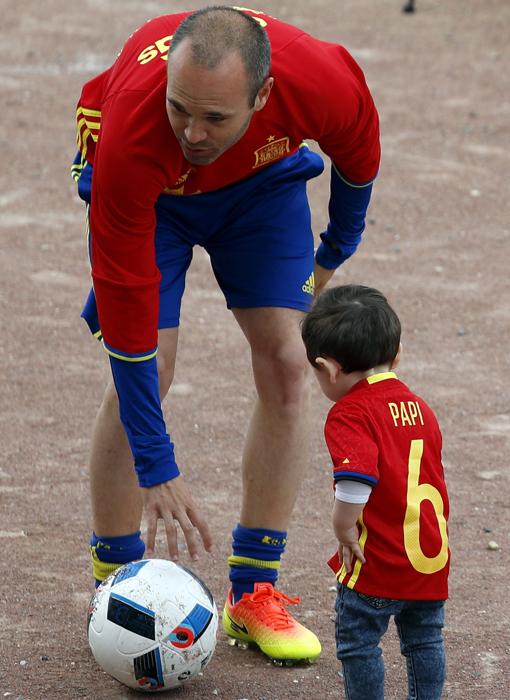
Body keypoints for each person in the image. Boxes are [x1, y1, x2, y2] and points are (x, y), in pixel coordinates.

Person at [72, 7, 380, 664]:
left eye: (215, 117)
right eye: (181, 108)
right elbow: (130, 338)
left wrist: (334, 250)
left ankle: (254, 592)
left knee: (290, 362)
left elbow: (358, 157)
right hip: (150, 200)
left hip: (258, 187)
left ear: (263, 96)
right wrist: (158, 468)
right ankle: (117, 586)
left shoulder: (320, 81)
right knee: (148, 373)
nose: (193, 131)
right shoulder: (135, 132)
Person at [301, 284, 450, 698]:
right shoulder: (421, 406)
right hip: (429, 560)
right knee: (425, 641)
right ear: (396, 353)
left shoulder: (349, 412)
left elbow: (355, 479)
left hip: (377, 561)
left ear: (328, 368)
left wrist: (342, 526)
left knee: (359, 644)